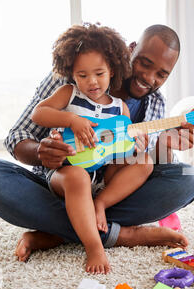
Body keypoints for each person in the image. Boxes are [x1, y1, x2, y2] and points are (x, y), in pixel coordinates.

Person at [0, 24, 194, 273]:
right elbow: (18, 135)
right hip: (61, 182)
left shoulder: (152, 102)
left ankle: (60, 233)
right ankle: (120, 235)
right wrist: (41, 152)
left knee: (187, 180)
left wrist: (166, 145)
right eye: (145, 63)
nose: (149, 78)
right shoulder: (69, 79)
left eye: (162, 74)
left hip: (109, 191)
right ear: (130, 50)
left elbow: (143, 163)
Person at [31, 23, 154, 274]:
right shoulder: (69, 93)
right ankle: (94, 245)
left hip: (101, 176)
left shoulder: (120, 108)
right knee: (77, 177)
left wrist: (136, 145)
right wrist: (71, 120)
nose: (92, 82)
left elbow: (121, 149)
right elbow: (38, 113)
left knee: (146, 162)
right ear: (72, 74)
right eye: (82, 75)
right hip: (67, 174)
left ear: (113, 69)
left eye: (99, 73)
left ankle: (99, 205)